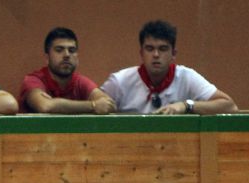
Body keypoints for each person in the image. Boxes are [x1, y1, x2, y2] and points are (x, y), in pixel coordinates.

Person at [100, 19, 238, 115]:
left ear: (173, 54)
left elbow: (230, 106)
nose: (156, 55)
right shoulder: (119, 81)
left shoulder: (187, 77)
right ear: (141, 53)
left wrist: (186, 106)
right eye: (149, 49)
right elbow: (96, 107)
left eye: (163, 49)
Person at [19, 27, 115, 115]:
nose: (67, 55)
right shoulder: (33, 80)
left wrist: (57, 104)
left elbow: (108, 103)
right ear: (47, 57)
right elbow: (45, 106)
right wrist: (93, 105)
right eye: (59, 50)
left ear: (77, 57)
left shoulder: (80, 82)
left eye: (72, 50)